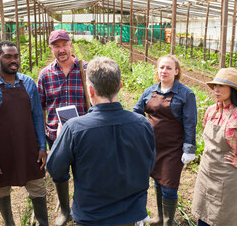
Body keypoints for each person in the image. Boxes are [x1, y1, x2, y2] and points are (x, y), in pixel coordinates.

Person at [46, 56, 156, 225]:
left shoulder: (74, 128)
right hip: (131, 215)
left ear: (90, 91)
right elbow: (149, 165)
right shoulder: (142, 124)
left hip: (91, 217)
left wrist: (62, 138)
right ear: (120, 86)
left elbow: (55, 169)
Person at [0, 41, 48, 226]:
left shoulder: (29, 83)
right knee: (1, 190)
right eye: (8, 57)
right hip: (1, 152)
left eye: (16, 56)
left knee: (38, 187)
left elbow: (38, 117)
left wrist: (42, 147)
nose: (13, 60)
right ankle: (9, 223)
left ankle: (43, 222)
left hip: (28, 147)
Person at [191, 67, 237, 226]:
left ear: (233, 90)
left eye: (221, 86)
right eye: (215, 86)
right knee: (202, 217)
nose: (216, 90)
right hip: (206, 172)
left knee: (223, 220)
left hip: (226, 178)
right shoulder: (212, 110)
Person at [133, 54, 197, 226]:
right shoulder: (150, 91)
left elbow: (190, 123)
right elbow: (136, 112)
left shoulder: (186, 94)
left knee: (169, 186)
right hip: (152, 146)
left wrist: (189, 148)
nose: (164, 71)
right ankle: (160, 218)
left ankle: (168, 221)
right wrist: (140, 131)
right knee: (157, 180)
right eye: (161, 67)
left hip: (174, 149)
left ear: (176, 71)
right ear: (157, 70)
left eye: (169, 68)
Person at [37, 29, 88, 225]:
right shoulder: (45, 75)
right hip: (55, 134)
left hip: (83, 134)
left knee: (83, 171)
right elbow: (41, 107)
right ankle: (65, 210)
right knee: (58, 172)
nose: (61, 49)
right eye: (56, 46)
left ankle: (81, 207)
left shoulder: (85, 69)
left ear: (71, 45)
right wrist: (42, 137)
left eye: (64, 44)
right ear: (51, 49)